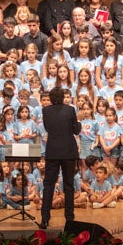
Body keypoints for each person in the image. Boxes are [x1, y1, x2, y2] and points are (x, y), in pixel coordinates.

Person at [39, 85, 81, 228]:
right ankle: (69, 218)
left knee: (48, 185)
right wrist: (79, 121)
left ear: (50, 98)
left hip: (53, 151)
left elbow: (47, 128)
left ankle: (45, 218)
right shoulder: (70, 110)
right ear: (63, 98)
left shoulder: (46, 111)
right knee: (68, 185)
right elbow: (76, 130)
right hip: (69, 151)